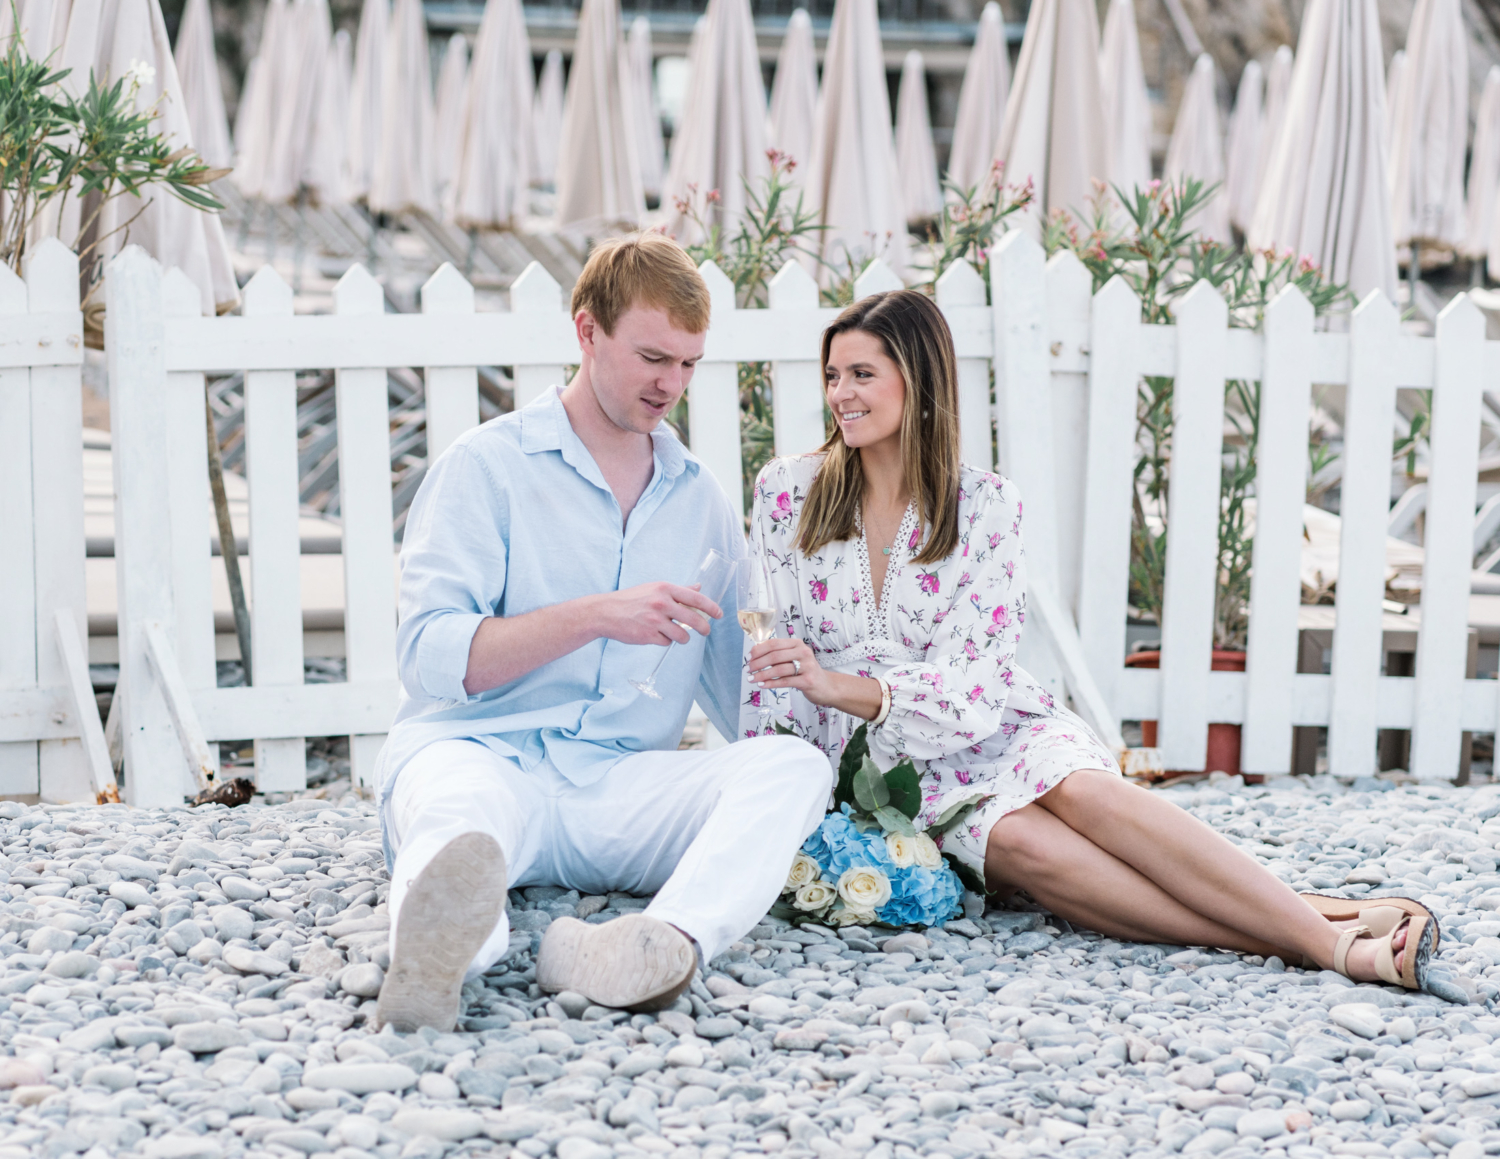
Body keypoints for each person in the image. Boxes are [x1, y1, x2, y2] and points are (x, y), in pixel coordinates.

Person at [740, 288, 1437, 991]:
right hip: (886, 771)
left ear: (918, 381)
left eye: (862, 374)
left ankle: (1329, 944)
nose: (841, 394)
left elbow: (975, 686)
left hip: (990, 723)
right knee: (1022, 843)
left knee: (1088, 794)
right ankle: (1327, 929)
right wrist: (782, 802)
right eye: (833, 375)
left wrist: (844, 686)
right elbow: (772, 671)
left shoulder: (985, 505)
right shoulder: (786, 494)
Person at [373, 233, 832, 1032]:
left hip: (617, 788)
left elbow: (740, 699)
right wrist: (597, 613)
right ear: (587, 332)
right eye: (655, 357)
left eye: (690, 364)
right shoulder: (486, 466)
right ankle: (442, 958)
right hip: (483, 750)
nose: (673, 384)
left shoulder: (702, 501)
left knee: (791, 767)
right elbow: (430, 659)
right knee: (461, 814)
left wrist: (823, 692)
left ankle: (658, 942)